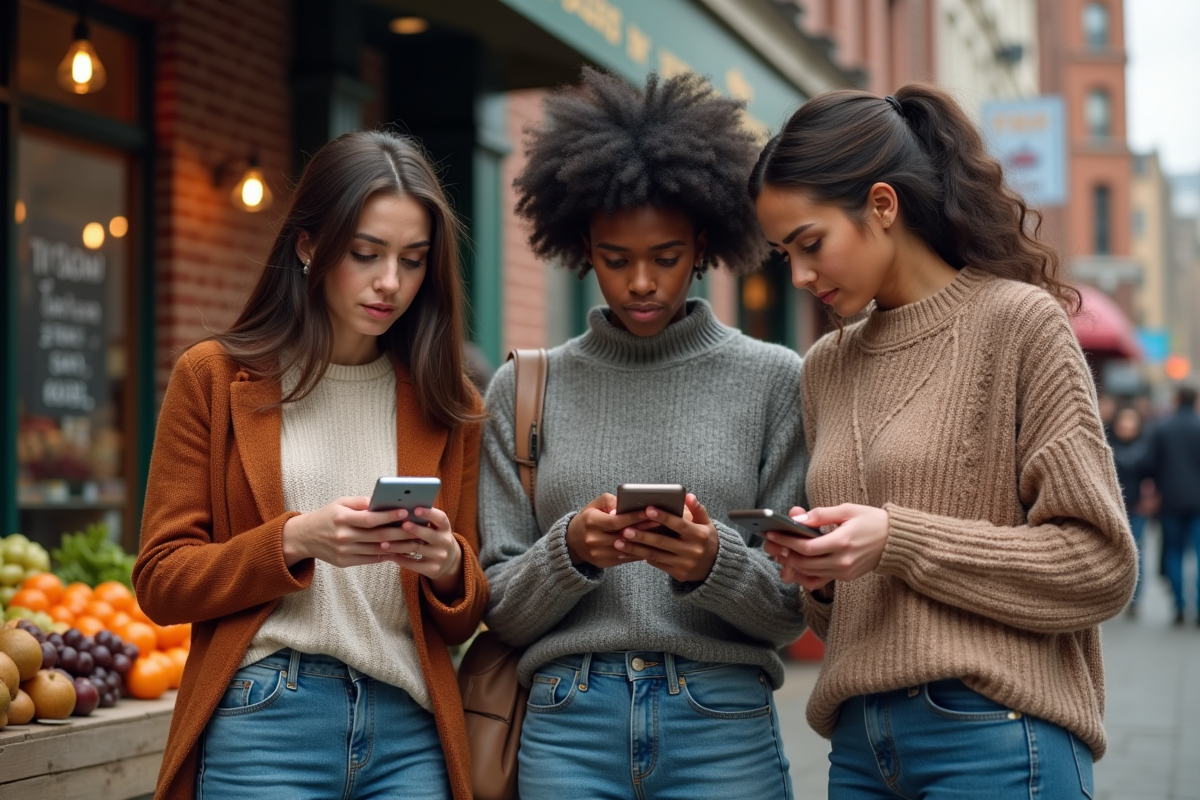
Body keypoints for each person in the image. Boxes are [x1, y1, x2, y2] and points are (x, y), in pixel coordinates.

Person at [751, 84, 1136, 798]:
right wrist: (820, 571)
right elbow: (839, 618)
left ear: (883, 206)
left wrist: (897, 538)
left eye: (810, 245)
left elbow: (1101, 564)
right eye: (784, 255)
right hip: (861, 748)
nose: (799, 275)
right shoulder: (824, 368)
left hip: (996, 731)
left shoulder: (1018, 324)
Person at [480, 68, 807, 800]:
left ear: (702, 243)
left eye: (665, 258)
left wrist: (712, 561)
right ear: (579, 247)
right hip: (567, 721)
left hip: (721, 717)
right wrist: (570, 551)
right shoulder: (525, 389)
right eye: (614, 259)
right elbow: (496, 605)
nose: (641, 284)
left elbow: (793, 610)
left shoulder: (774, 380)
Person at [133, 130, 488, 800]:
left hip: (409, 730)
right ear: (307, 245)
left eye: (413, 261)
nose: (391, 282)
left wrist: (445, 564)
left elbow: (462, 615)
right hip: (268, 720)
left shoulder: (447, 401)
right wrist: (295, 540)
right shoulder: (213, 377)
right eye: (365, 253)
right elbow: (161, 581)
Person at [1143, 385, 1200, 625]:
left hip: (1170, 500)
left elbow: (1149, 464)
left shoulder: (1162, 428)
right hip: (1198, 502)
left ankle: (1178, 606)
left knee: (1174, 552)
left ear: (1176, 400)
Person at [1110, 406, 1149, 614]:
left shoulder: (1145, 447)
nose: (1126, 425)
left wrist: (1150, 497)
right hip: (1111, 510)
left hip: (1136, 509)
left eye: (1131, 421)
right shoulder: (1106, 445)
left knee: (1136, 552)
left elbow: (1151, 476)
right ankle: (1112, 597)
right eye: (1123, 420)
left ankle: (1134, 598)